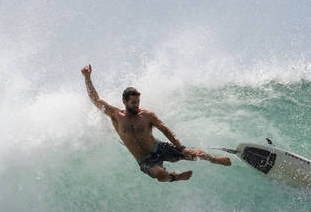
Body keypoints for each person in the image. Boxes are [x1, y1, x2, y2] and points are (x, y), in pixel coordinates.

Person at [81, 64, 231, 182]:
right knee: (160, 175)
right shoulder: (115, 115)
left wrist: (181, 147)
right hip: (144, 159)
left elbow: (165, 130)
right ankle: (176, 177)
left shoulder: (147, 115)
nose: (136, 105)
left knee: (192, 154)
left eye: (138, 102)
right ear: (124, 101)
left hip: (159, 148)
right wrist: (87, 77)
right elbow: (95, 99)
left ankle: (214, 159)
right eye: (133, 102)